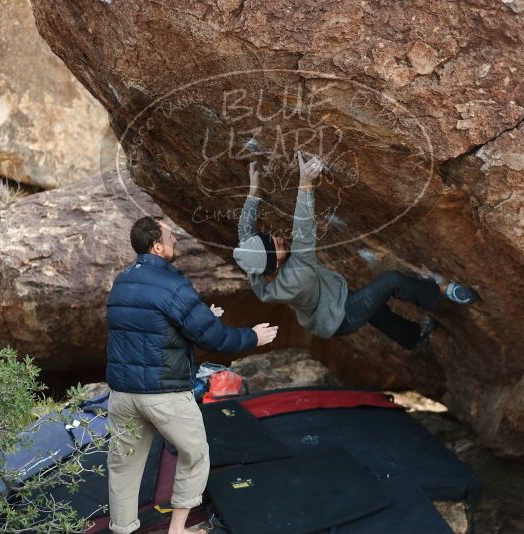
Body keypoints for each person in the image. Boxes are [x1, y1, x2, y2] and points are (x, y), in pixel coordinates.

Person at [105, 216, 278, 534]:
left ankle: (123, 529)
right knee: (195, 453)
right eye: (171, 237)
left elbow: (148, 329)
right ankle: (178, 530)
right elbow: (213, 338)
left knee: (123, 464)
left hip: (123, 395)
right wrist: (253, 336)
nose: (176, 241)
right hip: (165, 394)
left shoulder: (123, 281)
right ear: (157, 246)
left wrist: (199, 316)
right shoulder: (172, 284)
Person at [233, 152, 477, 351]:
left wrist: (253, 189)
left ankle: (413, 338)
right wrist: (305, 183)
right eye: (275, 245)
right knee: (389, 282)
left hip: (327, 304)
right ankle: (442, 291)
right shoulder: (297, 275)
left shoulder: (255, 266)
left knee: (375, 308)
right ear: (274, 266)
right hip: (341, 317)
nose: (277, 237)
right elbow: (303, 230)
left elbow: (246, 232)